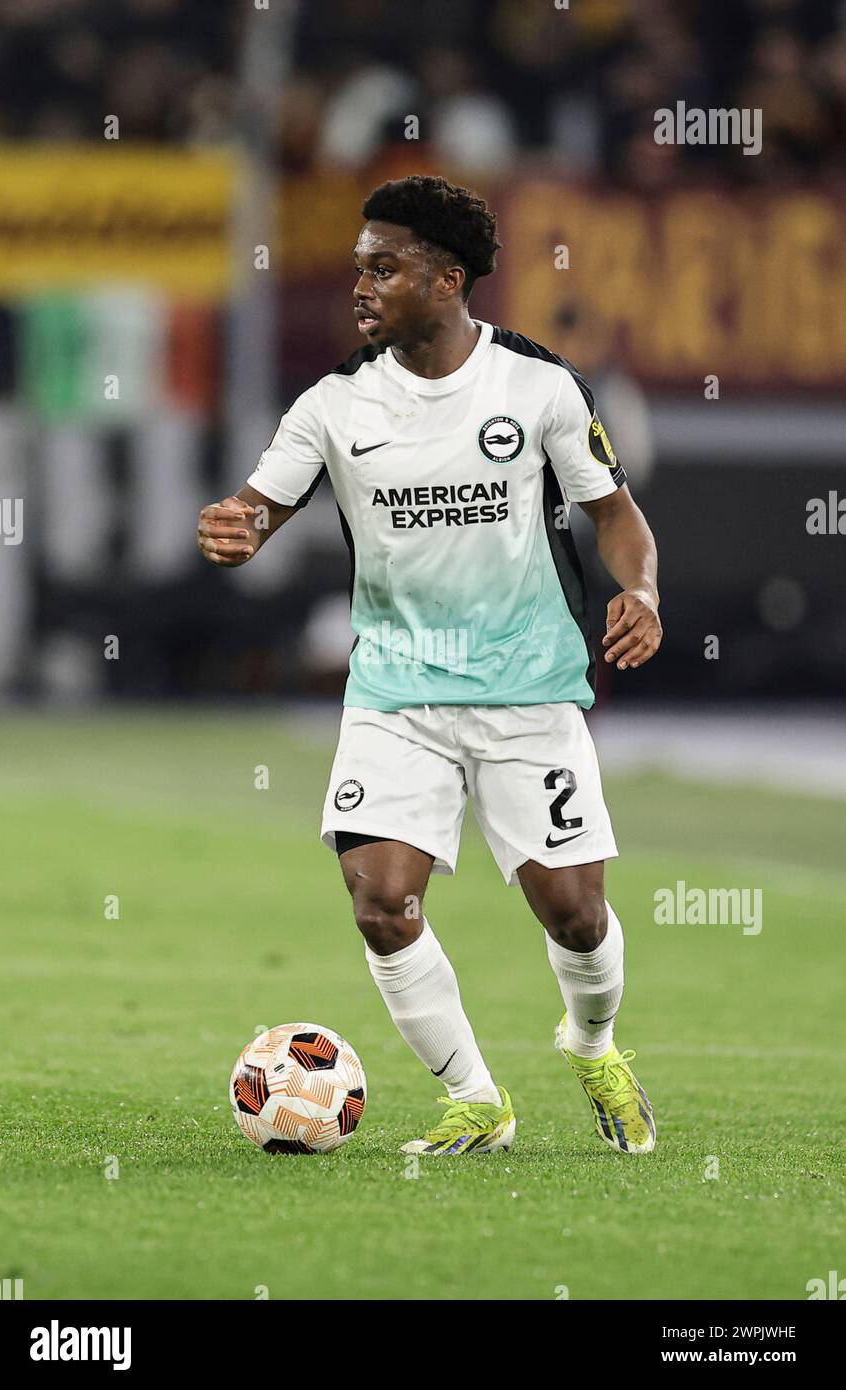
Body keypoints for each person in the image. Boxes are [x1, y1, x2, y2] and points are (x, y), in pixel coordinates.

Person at [198, 175, 662, 1157]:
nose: (359, 285)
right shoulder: (330, 404)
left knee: (574, 917)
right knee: (380, 898)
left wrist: (642, 592)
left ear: (447, 278)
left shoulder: (536, 388)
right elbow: (259, 507)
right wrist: (237, 530)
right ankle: (475, 1098)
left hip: (525, 688)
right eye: (357, 267)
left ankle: (592, 1045)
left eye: (384, 267)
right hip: (395, 691)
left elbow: (615, 517)